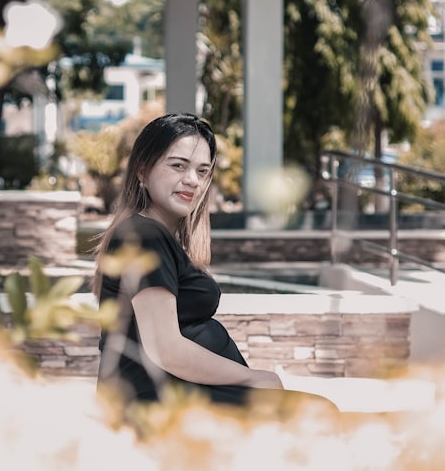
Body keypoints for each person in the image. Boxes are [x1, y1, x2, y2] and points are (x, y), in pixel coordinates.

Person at [92, 112, 326, 418]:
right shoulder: (143, 235)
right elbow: (166, 349)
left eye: (203, 171)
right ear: (142, 170)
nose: (193, 180)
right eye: (178, 165)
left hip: (169, 395)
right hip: (155, 404)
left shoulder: (155, 235)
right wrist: (252, 377)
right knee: (318, 414)